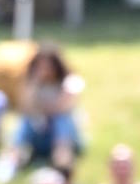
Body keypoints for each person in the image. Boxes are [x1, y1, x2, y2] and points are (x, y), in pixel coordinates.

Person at [10, 44, 84, 173]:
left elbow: (63, 106)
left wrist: (40, 109)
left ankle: (62, 161)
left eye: (48, 66)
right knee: (26, 120)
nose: (45, 70)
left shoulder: (70, 81)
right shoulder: (32, 83)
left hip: (66, 136)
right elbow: (24, 108)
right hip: (40, 133)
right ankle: (14, 159)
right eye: (40, 66)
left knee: (61, 119)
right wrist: (35, 82)